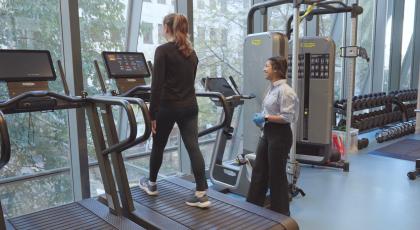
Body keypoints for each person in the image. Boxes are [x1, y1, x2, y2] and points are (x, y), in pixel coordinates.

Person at [139, 13, 210, 209]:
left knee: (159, 145)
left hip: (168, 107)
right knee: (193, 146)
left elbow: (157, 85)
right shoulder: (192, 53)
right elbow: (189, 81)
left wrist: (152, 114)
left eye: (163, 27)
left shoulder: (162, 51)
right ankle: (201, 193)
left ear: (167, 28)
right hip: (189, 106)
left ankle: (152, 184)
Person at [246, 56, 299, 216]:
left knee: (276, 175)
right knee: (259, 171)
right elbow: (269, 111)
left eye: (266, 66)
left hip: (280, 136)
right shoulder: (271, 88)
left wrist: (266, 118)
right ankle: (252, 209)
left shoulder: (286, 91)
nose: (264, 69)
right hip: (268, 133)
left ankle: (281, 214)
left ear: (276, 69)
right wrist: (262, 119)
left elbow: (287, 117)